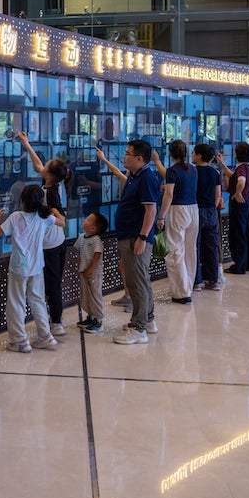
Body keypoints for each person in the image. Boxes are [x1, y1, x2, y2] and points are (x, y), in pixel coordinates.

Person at [0, 184, 64, 352]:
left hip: (19, 267)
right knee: (38, 300)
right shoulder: (44, 217)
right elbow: (62, 222)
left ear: (22, 200)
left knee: (16, 303)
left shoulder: (16, 216)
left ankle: (20, 341)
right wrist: (53, 210)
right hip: (37, 266)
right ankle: (46, 336)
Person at [17, 131, 69, 335]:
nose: (42, 166)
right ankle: (55, 318)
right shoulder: (54, 183)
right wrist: (26, 144)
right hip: (56, 244)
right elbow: (38, 164)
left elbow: (61, 220)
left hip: (51, 246)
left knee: (52, 284)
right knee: (52, 283)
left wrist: (50, 215)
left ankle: (56, 322)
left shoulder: (49, 194)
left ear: (49, 175)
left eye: (46, 166)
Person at [112, 139, 161, 345]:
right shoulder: (135, 175)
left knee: (136, 282)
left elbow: (151, 210)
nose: (124, 156)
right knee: (141, 279)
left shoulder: (147, 178)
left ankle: (138, 328)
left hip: (136, 237)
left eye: (127, 153)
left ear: (139, 158)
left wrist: (142, 237)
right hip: (129, 235)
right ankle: (148, 319)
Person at [154, 141, 199, 304]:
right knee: (189, 250)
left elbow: (169, 194)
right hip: (193, 210)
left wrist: (161, 217)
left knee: (175, 250)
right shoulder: (192, 169)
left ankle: (181, 292)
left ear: (170, 153)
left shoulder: (173, 171)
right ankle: (187, 286)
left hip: (178, 210)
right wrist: (157, 162)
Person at [96, 147, 132, 308]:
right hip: (124, 227)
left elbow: (117, 172)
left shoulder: (131, 182)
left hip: (129, 230)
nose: (124, 157)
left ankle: (133, 299)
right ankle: (128, 295)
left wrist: (104, 159)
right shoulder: (131, 179)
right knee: (123, 264)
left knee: (128, 265)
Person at [217, 142, 249, 274]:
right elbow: (232, 175)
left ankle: (240, 265)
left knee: (238, 234)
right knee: (247, 232)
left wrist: (238, 192)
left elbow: (241, 181)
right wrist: (222, 163)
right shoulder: (247, 166)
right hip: (246, 203)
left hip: (239, 203)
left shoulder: (241, 168)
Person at [192, 144, 223, 291]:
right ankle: (213, 280)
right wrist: (212, 208)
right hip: (211, 211)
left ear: (199, 156)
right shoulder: (214, 172)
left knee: (195, 246)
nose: (192, 155)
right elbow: (218, 195)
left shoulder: (193, 172)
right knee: (211, 247)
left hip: (196, 210)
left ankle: (197, 282)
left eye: (194, 153)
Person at [74, 212, 108, 333]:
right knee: (86, 296)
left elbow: (97, 256)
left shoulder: (96, 240)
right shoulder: (81, 238)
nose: (84, 220)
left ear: (93, 228)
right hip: (84, 273)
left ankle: (99, 321)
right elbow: (79, 254)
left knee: (95, 296)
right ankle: (91, 317)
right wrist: (81, 268)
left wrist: (89, 270)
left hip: (94, 274)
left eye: (88, 220)